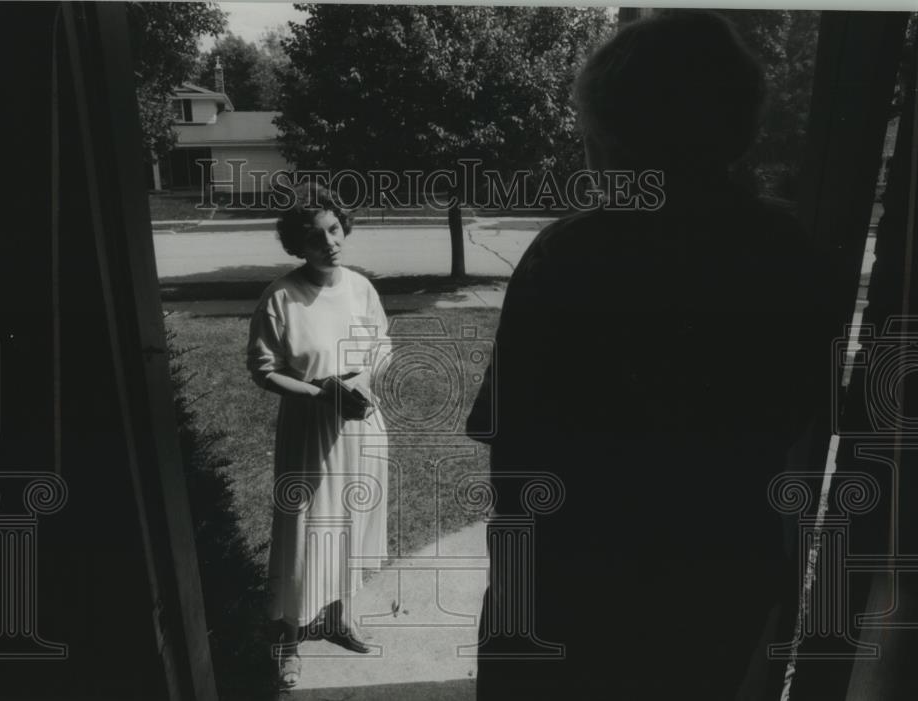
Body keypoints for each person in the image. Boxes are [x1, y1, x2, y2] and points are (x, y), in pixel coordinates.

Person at [467, 10, 843, 699]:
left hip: (576, 589)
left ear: (613, 142)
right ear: (740, 128)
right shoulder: (791, 254)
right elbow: (797, 416)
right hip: (719, 578)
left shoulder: (569, 257)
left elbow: (510, 447)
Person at [247, 183, 390, 689]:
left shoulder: (360, 287)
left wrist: (363, 383)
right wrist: (317, 393)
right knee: (304, 528)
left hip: (360, 424)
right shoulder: (281, 297)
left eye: (334, 230)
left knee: (349, 520)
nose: (329, 242)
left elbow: (381, 347)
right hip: (311, 429)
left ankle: (339, 616)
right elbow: (263, 369)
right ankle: (287, 636)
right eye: (314, 237)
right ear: (296, 246)